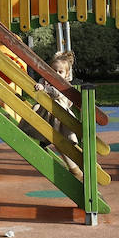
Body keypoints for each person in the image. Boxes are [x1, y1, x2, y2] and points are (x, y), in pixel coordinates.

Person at [31, 51, 82, 179]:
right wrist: (41, 85)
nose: (57, 74)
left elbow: (57, 93)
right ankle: (43, 138)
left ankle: (75, 169)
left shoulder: (63, 85)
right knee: (36, 109)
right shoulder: (45, 81)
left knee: (62, 143)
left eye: (60, 72)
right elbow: (40, 86)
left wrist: (44, 88)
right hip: (48, 112)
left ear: (67, 74)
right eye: (54, 70)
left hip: (60, 114)